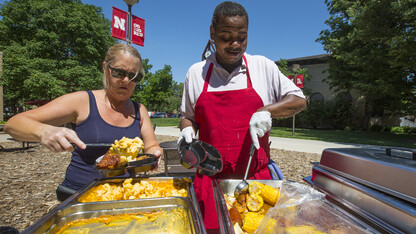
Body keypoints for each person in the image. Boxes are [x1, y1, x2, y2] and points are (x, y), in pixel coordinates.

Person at [178, 1, 306, 232]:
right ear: (212, 32)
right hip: (210, 181)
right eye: (227, 36)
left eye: (242, 37)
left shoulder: (263, 66)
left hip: (255, 179)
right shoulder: (196, 73)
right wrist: (186, 129)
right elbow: (187, 117)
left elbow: (299, 100)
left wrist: (268, 111)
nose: (235, 44)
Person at [4, 43, 162, 201]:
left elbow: (151, 145)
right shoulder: (82, 101)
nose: (126, 80)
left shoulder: (139, 110)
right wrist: (44, 132)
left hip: (124, 196)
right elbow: (13, 124)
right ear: (105, 67)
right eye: (119, 72)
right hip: (79, 196)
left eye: (134, 76)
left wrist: (155, 153)